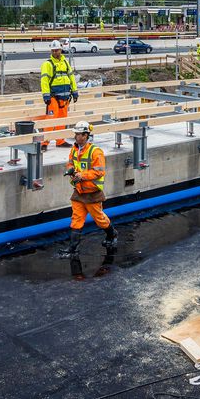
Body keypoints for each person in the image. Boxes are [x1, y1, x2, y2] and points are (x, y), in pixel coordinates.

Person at [64, 121, 116, 257]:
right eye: (76, 134)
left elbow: (99, 172)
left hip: (92, 193)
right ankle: (72, 248)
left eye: (80, 134)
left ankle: (112, 234)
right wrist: (70, 170)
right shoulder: (74, 149)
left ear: (86, 135)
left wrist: (82, 175)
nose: (77, 137)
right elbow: (70, 162)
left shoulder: (95, 152)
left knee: (99, 219)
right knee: (76, 219)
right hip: (79, 191)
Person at [40, 39, 78, 148]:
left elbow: (71, 77)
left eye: (57, 50)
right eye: (53, 51)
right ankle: (44, 142)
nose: (55, 52)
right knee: (51, 119)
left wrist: (74, 92)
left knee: (62, 119)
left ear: (61, 50)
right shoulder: (48, 64)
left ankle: (60, 140)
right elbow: (44, 81)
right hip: (53, 97)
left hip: (65, 97)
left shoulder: (65, 62)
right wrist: (46, 95)